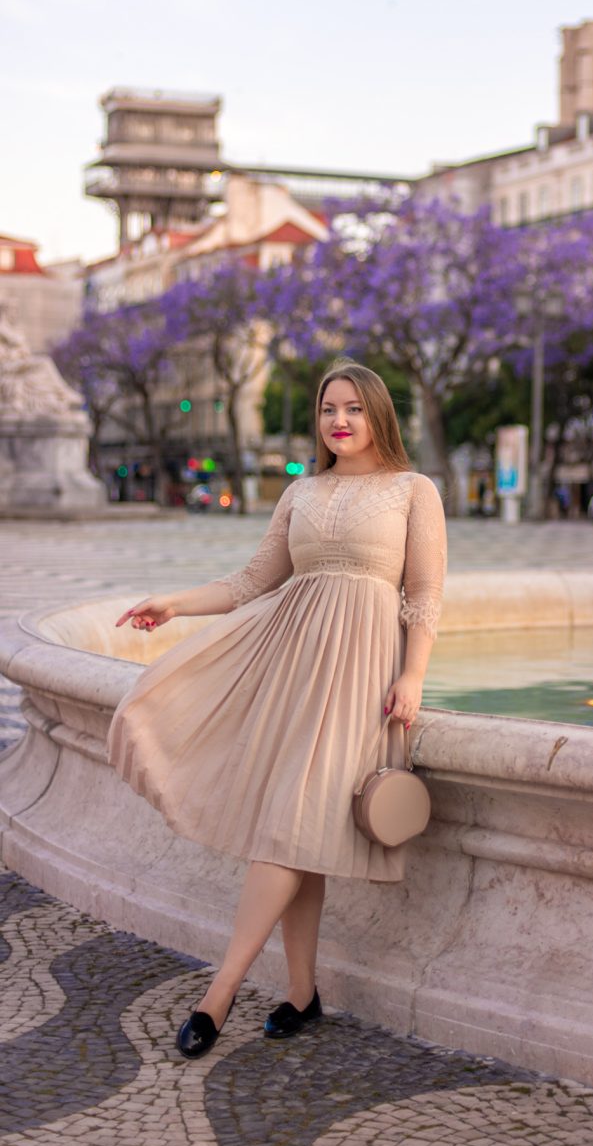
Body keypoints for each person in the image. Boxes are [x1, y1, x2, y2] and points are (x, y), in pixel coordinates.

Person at [107, 360, 447, 1058]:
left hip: (362, 674)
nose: (339, 420)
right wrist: (174, 602)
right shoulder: (301, 490)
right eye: (328, 409)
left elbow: (423, 594)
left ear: (378, 414)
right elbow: (252, 581)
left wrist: (413, 674)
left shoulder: (414, 491)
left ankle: (219, 994)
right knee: (302, 835)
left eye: (352, 408)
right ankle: (300, 994)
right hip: (290, 665)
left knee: (291, 829)